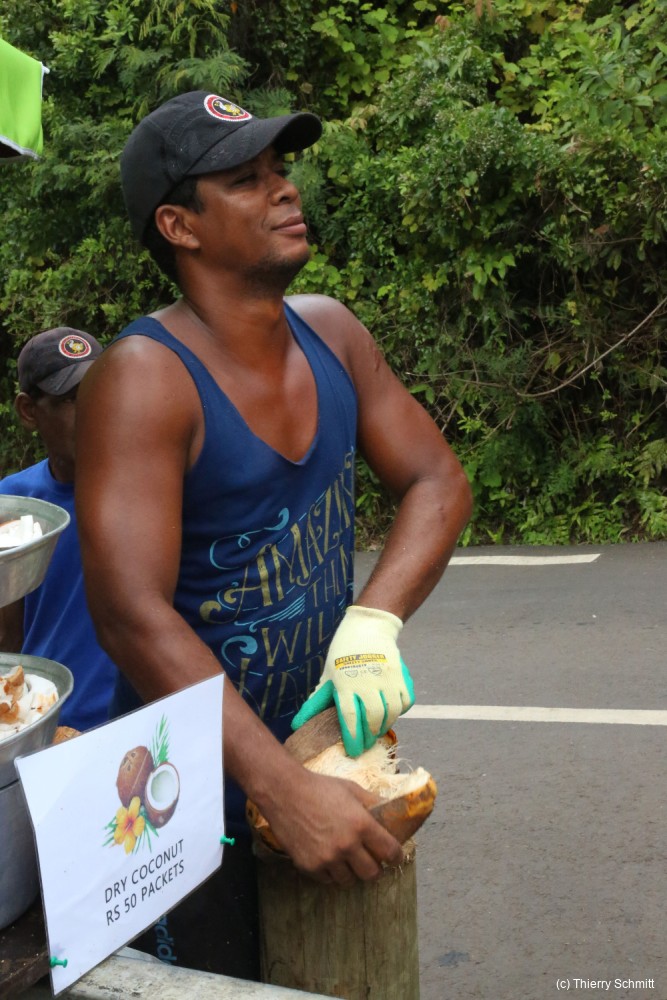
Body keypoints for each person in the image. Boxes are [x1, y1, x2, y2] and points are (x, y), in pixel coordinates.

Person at [75, 91, 473, 978]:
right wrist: (280, 787)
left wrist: (371, 626)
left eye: (280, 169)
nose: (285, 190)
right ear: (179, 225)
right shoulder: (144, 378)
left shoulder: (331, 333)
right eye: (247, 180)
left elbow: (437, 482)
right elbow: (130, 614)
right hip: (183, 803)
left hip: (323, 756)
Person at [0, 328, 118, 732]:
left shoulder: (152, 488)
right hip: (49, 726)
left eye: (101, 390)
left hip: (143, 720)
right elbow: (7, 638)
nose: (94, 412)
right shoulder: (14, 505)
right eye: (70, 399)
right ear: (29, 411)